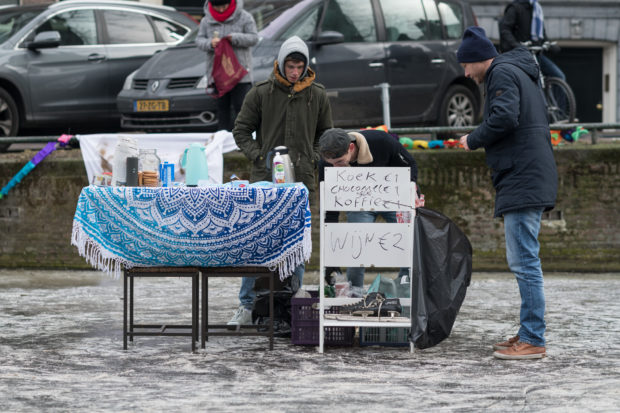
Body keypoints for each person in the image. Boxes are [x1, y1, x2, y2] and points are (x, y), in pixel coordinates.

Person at [456, 26, 558, 360]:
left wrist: (472, 139)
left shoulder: (500, 74)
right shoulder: (517, 71)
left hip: (522, 177)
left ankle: (533, 338)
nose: (465, 73)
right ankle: (529, 331)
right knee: (524, 260)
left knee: (525, 262)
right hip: (527, 174)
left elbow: (504, 117)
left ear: (477, 59)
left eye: (466, 66)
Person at [228, 35, 333, 326]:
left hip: (301, 182)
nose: (295, 72)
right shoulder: (261, 93)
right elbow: (240, 130)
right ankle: (247, 306)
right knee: (255, 243)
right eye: (290, 66)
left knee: (295, 245)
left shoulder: (318, 95)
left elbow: (325, 135)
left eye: (300, 67)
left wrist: (312, 157)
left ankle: (292, 304)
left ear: (306, 66)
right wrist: (258, 155)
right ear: (281, 63)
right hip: (265, 182)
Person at [318, 128, 418, 293]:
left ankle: (406, 287)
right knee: (357, 248)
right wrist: (330, 257)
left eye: (340, 162)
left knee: (410, 240)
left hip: (392, 198)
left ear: (351, 148)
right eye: (331, 164)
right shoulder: (327, 164)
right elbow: (329, 205)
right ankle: (353, 293)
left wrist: (412, 186)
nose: (335, 168)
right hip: (358, 203)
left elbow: (410, 164)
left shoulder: (382, 141)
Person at [196, 0, 258, 131]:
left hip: (241, 74)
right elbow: (199, 40)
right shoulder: (206, 20)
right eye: (217, 7)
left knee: (241, 107)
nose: (220, 10)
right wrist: (209, 43)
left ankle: (243, 139)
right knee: (222, 108)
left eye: (223, 6)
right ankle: (223, 139)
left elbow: (254, 38)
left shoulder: (245, 17)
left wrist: (235, 38)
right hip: (218, 74)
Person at [499, 0, 565, 80]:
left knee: (559, 76)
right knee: (533, 81)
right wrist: (516, 45)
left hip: (536, 55)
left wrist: (549, 44)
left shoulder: (537, 9)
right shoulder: (514, 8)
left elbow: (542, 35)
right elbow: (505, 30)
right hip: (519, 56)